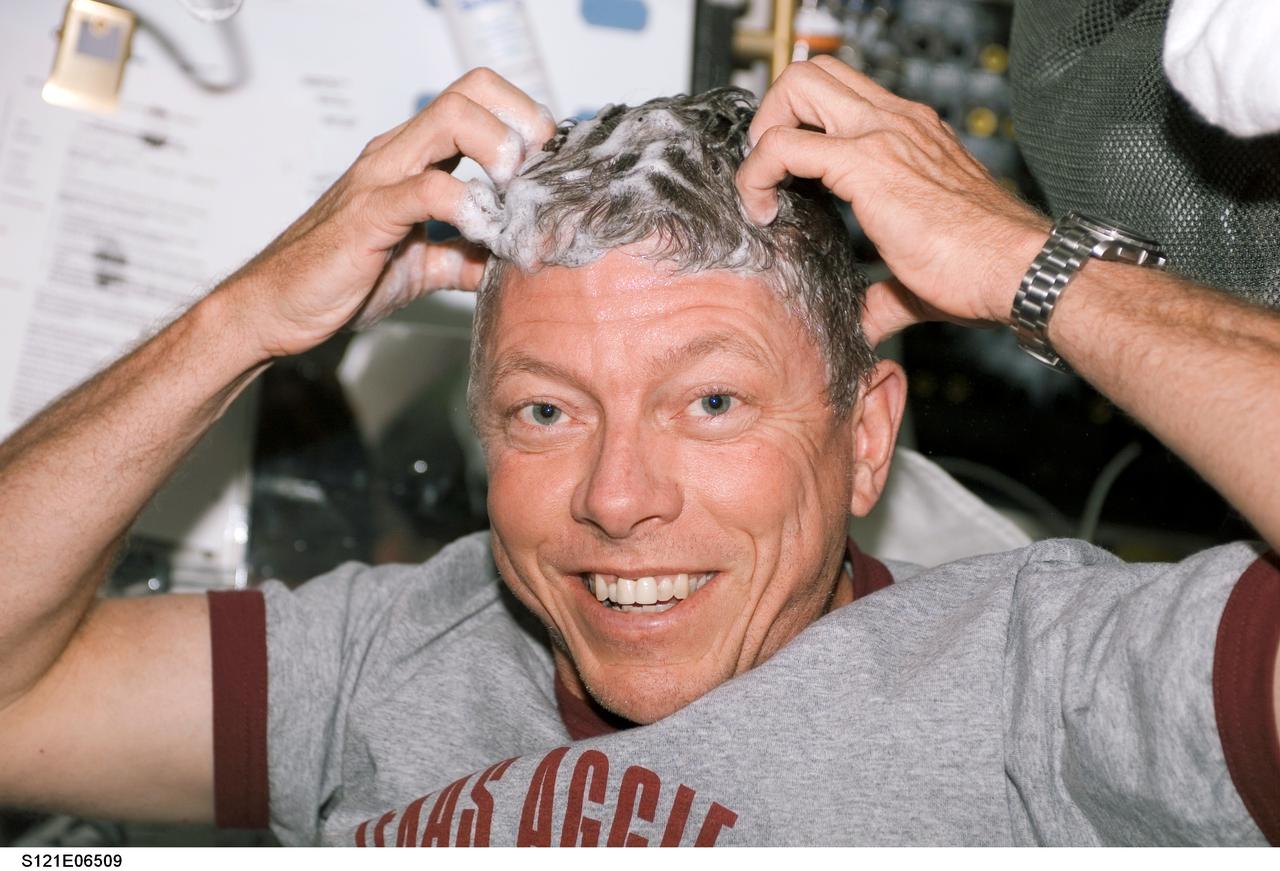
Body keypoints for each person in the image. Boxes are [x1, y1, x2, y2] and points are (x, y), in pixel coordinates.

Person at [0, 59, 1276, 846]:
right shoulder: (390, 657)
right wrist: (242, 322)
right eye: (545, 413)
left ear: (864, 437)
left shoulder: (1035, 688)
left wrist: (1027, 268)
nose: (615, 499)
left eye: (710, 401)